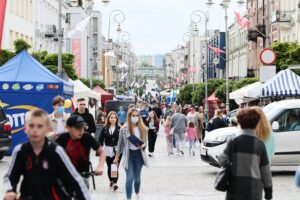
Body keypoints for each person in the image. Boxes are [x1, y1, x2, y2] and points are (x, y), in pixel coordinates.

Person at [3, 109, 91, 200]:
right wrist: (10, 191)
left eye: (40, 126)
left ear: (48, 129)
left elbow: (75, 180)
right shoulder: (20, 151)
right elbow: (10, 177)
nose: (35, 130)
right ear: (25, 128)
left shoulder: (56, 151)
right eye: (31, 126)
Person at [218, 108, 272, 200]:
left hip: (234, 188)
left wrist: (230, 165)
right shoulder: (259, 144)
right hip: (254, 191)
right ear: (256, 123)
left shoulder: (233, 141)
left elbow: (222, 159)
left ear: (240, 122)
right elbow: (265, 171)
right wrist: (268, 192)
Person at [56, 115, 106, 188]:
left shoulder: (87, 137)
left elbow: (102, 152)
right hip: (66, 177)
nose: (81, 130)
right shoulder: (63, 138)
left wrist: (100, 167)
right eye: (77, 128)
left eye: (83, 127)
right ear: (68, 128)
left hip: (83, 176)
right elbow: (52, 153)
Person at [113, 108, 149, 200]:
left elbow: (145, 143)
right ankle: (128, 198)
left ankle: (137, 193)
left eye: (137, 115)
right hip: (128, 155)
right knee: (130, 178)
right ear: (129, 116)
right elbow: (120, 144)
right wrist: (116, 158)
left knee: (137, 178)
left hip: (139, 156)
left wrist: (143, 146)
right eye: (133, 115)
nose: (135, 117)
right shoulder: (124, 129)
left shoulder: (143, 129)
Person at [98, 111, 122, 191]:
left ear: (116, 119)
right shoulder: (105, 128)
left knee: (115, 166)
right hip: (107, 150)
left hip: (117, 151)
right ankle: (111, 181)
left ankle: (115, 182)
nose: (113, 119)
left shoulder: (120, 128)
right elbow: (100, 139)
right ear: (108, 118)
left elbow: (122, 140)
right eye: (111, 117)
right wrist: (100, 148)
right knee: (109, 166)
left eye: (114, 117)